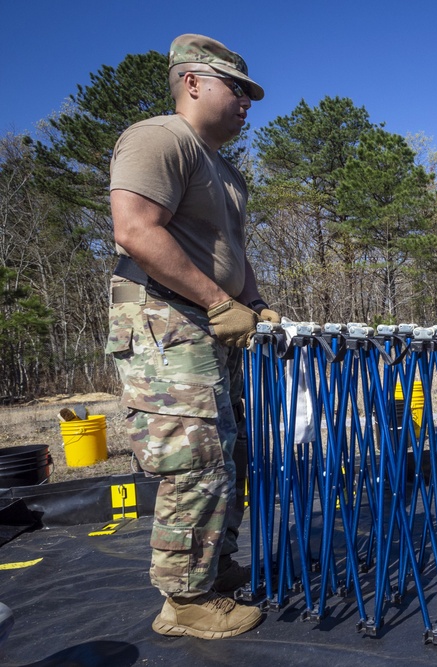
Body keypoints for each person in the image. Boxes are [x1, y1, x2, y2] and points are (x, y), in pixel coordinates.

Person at [106, 33, 278, 639]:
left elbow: (228, 250)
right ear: (194, 81)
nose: (246, 102)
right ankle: (183, 603)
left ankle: (213, 567)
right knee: (194, 460)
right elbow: (134, 231)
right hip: (167, 321)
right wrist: (219, 301)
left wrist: (255, 304)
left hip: (211, 325)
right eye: (237, 88)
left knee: (228, 455)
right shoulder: (159, 139)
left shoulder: (224, 169)